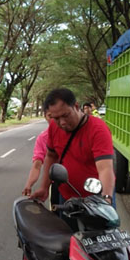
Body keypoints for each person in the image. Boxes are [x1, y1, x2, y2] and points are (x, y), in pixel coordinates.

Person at [30, 88, 115, 226]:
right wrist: (44, 187)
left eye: (66, 115)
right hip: (68, 199)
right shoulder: (54, 127)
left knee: (100, 243)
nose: (62, 122)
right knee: (69, 241)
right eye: (56, 118)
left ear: (76, 106)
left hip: (96, 200)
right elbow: (51, 157)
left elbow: (105, 168)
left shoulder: (98, 129)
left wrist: (106, 200)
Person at [22, 106, 52, 196]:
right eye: (50, 116)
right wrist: (29, 184)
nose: (54, 120)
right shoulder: (43, 138)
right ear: (45, 117)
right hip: (58, 184)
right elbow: (37, 165)